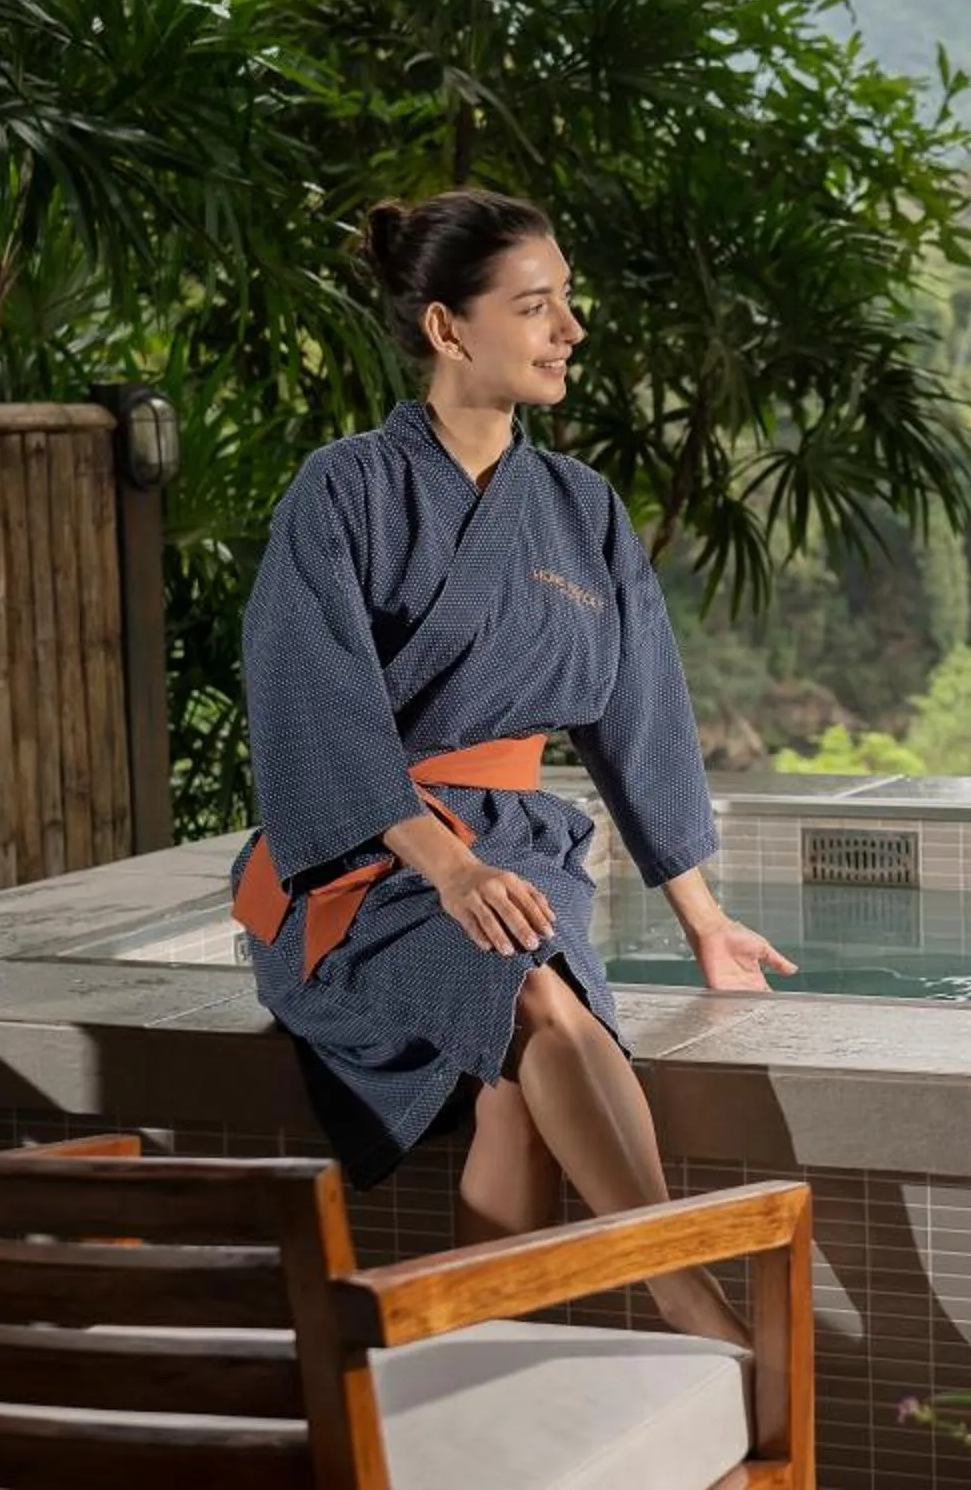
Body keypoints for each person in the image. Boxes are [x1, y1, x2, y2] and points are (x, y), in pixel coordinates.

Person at [232, 187, 792, 1346]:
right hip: (362, 867)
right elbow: (313, 706)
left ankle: (485, 1373)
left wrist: (703, 916)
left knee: (516, 1087)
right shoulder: (341, 491)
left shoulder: (580, 506)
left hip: (521, 856)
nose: (569, 329)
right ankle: (691, 1295)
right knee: (533, 991)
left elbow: (640, 712)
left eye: (567, 302)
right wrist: (443, 863)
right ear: (448, 329)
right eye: (536, 306)